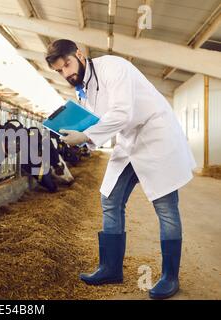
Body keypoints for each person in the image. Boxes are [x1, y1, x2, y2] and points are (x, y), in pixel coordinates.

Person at [45, 39, 196, 299]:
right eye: (59, 71)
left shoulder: (113, 68)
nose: (66, 73)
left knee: (165, 207)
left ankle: (170, 277)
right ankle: (110, 268)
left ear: (79, 54)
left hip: (155, 135)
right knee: (110, 199)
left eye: (67, 65)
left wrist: (86, 136)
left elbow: (122, 112)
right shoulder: (83, 88)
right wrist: (81, 135)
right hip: (129, 142)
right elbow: (101, 121)